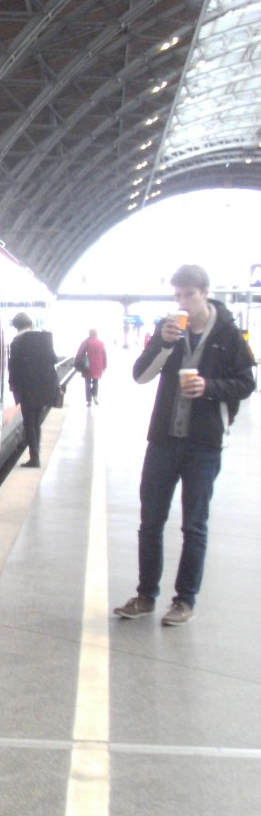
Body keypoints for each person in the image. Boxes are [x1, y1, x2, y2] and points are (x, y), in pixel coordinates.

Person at [114, 264, 256, 626]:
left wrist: (208, 388)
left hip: (204, 444)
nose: (182, 302)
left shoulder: (227, 334)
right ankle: (146, 595)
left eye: (188, 294)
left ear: (205, 293)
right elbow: (140, 375)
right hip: (163, 441)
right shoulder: (169, 330)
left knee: (194, 525)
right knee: (150, 521)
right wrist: (162, 343)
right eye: (176, 295)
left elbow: (246, 383)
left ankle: (184, 600)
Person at [7, 311, 59, 468]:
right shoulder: (45, 337)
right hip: (45, 387)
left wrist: (12, 385)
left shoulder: (17, 342)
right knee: (36, 422)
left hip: (27, 389)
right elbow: (54, 359)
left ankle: (34, 457)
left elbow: (13, 367)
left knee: (29, 423)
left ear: (16, 326)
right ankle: (36, 454)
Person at [74, 328, 108, 405]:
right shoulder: (101, 343)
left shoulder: (86, 342)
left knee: (87, 383)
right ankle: (95, 395)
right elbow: (104, 355)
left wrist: (77, 363)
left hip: (88, 366)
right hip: (98, 366)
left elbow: (80, 353)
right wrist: (105, 365)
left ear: (89, 334)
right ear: (96, 334)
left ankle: (89, 400)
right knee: (95, 381)